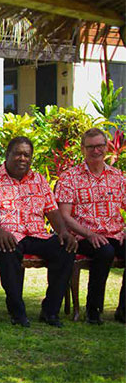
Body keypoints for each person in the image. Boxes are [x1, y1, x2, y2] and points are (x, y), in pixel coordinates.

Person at [0, 136, 77, 328]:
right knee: (8, 248)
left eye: (27, 155)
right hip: (2, 234)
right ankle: (17, 312)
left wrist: (63, 231)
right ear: (8, 155)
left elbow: (52, 210)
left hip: (36, 234)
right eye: (18, 154)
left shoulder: (39, 180)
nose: (22, 158)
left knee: (65, 248)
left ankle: (50, 311)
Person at [55, 128, 126, 324]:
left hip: (115, 233)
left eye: (100, 146)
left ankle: (123, 310)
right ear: (83, 149)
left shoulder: (118, 177)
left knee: (112, 246)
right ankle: (93, 310)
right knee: (105, 251)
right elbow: (64, 216)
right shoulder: (70, 177)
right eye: (91, 147)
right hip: (82, 236)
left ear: (107, 146)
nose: (96, 151)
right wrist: (90, 234)